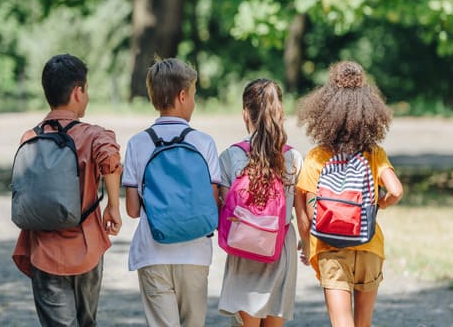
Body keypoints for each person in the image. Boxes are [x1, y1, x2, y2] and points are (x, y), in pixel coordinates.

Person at [12, 54, 123, 327]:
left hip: (43, 250)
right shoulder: (94, 135)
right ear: (77, 92)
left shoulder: (31, 137)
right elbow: (111, 161)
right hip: (86, 247)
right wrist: (112, 206)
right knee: (87, 322)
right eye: (86, 89)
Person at [295, 60, 403, 327]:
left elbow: (305, 208)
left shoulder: (318, 156)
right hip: (369, 245)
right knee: (363, 323)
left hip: (330, 247)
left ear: (325, 110)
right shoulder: (374, 154)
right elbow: (396, 190)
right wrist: (379, 204)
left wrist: (307, 244)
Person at [122, 57, 221, 327]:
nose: (194, 103)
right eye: (193, 96)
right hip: (195, 254)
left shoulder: (137, 143)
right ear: (182, 95)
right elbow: (212, 203)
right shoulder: (204, 142)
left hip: (152, 252)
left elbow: (132, 210)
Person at [218, 79, 304, 327]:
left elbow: (223, 209)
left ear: (245, 113)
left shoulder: (231, 156)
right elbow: (302, 211)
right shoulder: (293, 157)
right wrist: (307, 245)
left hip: (244, 245)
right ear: (280, 112)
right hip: (280, 245)